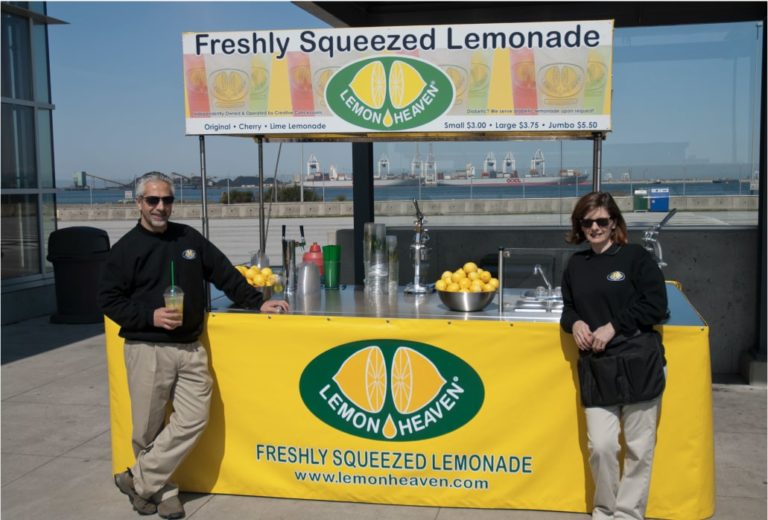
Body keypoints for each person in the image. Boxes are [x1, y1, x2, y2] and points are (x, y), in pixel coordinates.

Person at [98, 172, 288, 519]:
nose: (161, 207)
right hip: (147, 348)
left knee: (193, 419)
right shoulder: (126, 249)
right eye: (153, 200)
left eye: (167, 200)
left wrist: (255, 301)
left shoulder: (188, 238)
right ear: (139, 203)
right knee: (147, 429)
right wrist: (149, 316)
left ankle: (136, 480)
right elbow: (109, 300)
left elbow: (224, 273)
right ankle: (162, 491)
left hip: (190, 347)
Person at [560, 191, 668, 520]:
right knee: (602, 446)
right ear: (580, 225)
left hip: (639, 362)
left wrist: (612, 327)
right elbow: (568, 308)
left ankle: (627, 515)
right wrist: (575, 322)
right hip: (598, 367)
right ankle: (604, 511)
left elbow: (655, 305)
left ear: (614, 223)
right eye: (587, 221)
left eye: (602, 221)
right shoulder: (576, 265)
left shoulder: (635, 257)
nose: (595, 227)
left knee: (639, 449)